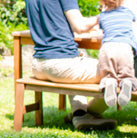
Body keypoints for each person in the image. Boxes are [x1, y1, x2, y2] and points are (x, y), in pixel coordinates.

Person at [25, 0, 117, 130]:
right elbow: (80, 27)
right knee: (118, 72)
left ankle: (79, 113)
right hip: (62, 65)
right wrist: (105, 15)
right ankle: (90, 114)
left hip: (38, 65)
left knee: (78, 61)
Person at [97, 0, 137, 109]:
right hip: (125, 47)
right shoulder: (128, 13)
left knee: (108, 75)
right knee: (127, 74)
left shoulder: (102, 16)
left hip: (107, 48)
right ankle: (127, 83)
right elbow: (134, 24)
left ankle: (109, 82)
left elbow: (102, 28)